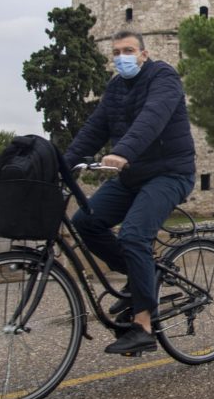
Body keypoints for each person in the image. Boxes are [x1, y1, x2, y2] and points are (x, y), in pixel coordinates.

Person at [64, 31, 196, 355]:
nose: (122, 57)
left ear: (144, 54)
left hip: (170, 173)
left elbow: (152, 118)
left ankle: (142, 326)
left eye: (128, 50)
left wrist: (122, 151)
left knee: (134, 235)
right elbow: (94, 129)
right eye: (117, 52)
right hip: (131, 176)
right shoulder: (116, 88)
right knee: (85, 221)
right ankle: (143, 276)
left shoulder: (163, 77)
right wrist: (61, 165)